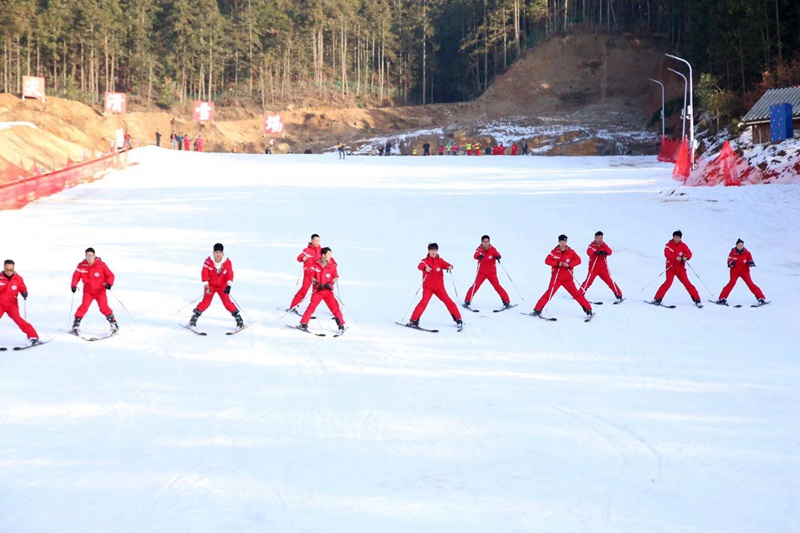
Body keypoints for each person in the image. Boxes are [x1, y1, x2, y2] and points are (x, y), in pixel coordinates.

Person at [532, 235, 593, 318]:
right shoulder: (554, 252)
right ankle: (537, 309)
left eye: (564, 241)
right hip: (556, 278)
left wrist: (569, 264)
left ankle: (588, 310)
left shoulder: (571, 252)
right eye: (561, 241)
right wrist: (557, 263)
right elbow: (547, 260)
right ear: (558, 242)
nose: (563, 243)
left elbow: (578, 260)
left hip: (568, 279)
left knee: (577, 294)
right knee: (549, 293)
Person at [188, 243, 244, 330]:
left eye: (220, 252)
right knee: (206, 302)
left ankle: (239, 319)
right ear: (213, 253)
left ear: (223, 253)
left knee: (227, 302)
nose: (218, 254)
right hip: (210, 286)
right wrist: (206, 286)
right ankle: (193, 319)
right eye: (216, 252)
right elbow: (204, 273)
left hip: (222, 286)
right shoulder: (208, 262)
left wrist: (229, 285)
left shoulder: (227, 262)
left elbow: (230, 274)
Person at [408, 243, 462, 328]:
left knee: (449, 302)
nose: (434, 252)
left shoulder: (440, 261)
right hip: (428, 288)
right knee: (423, 303)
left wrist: (450, 267)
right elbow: (420, 266)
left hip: (439, 288)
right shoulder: (425, 261)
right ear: (428, 251)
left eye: (435, 250)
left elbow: (448, 265)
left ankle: (458, 319)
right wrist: (425, 268)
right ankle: (413, 320)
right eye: (432, 250)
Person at [70, 247, 119, 335]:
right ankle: (75, 326)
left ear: (94, 255)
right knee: (83, 307)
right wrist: (73, 285)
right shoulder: (81, 265)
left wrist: (109, 284)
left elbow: (110, 275)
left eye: (91, 256)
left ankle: (114, 325)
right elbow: (76, 276)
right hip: (88, 291)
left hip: (100, 291)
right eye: (87, 256)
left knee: (104, 307)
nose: (89, 258)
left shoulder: (101, 265)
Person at [299, 247, 345, 332]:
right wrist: (317, 283)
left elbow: (335, 277)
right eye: (329, 254)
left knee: (335, 308)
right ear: (323, 255)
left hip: (328, 292)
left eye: (330, 254)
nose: (330, 256)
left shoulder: (332, 266)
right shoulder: (315, 265)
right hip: (318, 291)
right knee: (311, 307)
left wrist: (331, 283)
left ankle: (341, 325)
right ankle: (303, 323)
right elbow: (311, 277)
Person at [652, 230, 701, 305]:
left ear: (680, 238)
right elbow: (667, 254)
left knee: (687, 283)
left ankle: (697, 299)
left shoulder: (683, 245)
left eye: (678, 237)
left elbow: (689, 253)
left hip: (680, 269)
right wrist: (675, 257)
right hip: (671, 268)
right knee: (668, 283)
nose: (676, 239)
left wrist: (686, 257)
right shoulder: (669, 245)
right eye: (675, 237)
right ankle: (657, 298)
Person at [463, 235, 511, 309]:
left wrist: (497, 256)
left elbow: (498, 254)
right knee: (475, 286)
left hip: (492, 273)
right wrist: (479, 256)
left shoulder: (492, 249)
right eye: (484, 242)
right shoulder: (479, 250)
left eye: (487, 241)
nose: (486, 243)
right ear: (481, 242)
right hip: (481, 273)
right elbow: (475, 255)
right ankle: (467, 301)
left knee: (497, 286)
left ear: (489, 242)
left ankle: (506, 302)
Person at [0, 260, 40, 346]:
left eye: (11, 270)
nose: (9, 272)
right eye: (7, 270)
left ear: (14, 268)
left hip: (12, 305)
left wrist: (24, 293)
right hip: (0, 304)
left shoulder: (18, 278)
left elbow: (22, 288)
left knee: (19, 320)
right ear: (4, 268)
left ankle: (33, 337)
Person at [715, 239, 767, 305]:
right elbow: (729, 261)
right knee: (731, 283)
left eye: (741, 245)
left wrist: (751, 263)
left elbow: (750, 260)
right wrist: (731, 263)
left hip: (744, 272)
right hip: (735, 271)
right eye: (739, 245)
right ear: (736, 245)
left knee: (750, 284)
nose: (740, 246)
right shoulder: (732, 253)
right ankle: (722, 298)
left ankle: (760, 298)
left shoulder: (747, 253)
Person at [580, 231, 623, 302]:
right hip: (593, 269)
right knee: (588, 282)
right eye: (598, 238)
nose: (599, 240)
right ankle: (580, 294)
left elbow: (610, 251)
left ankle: (619, 294)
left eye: (601, 238)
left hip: (603, 269)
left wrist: (605, 252)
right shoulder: (592, 246)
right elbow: (589, 252)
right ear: (595, 238)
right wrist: (595, 253)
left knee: (610, 282)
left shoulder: (604, 245)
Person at [288, 234, 322, 313]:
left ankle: (310, 310)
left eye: (318, 240)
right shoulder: (307, 250)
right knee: (304, 289)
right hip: (308, 273)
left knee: (316, 292)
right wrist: (302, 258)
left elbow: (329, 259)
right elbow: (299, 257)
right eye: (315, 240)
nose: (316, 242)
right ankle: (293, 306)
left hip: (317, 274)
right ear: (312, 241)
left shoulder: (321, 251)